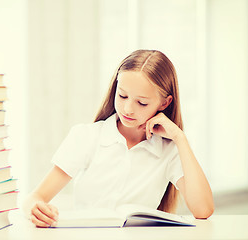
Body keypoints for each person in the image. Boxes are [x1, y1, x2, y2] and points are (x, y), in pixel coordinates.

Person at [23, 49, 214, 227]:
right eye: (122, 96)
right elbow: (36, 197)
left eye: (142, 102)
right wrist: (35, 208)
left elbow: (203, 210)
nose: (128, 109)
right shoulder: (87, 137)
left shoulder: (169, 149)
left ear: (165, 103)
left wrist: (179, 138)